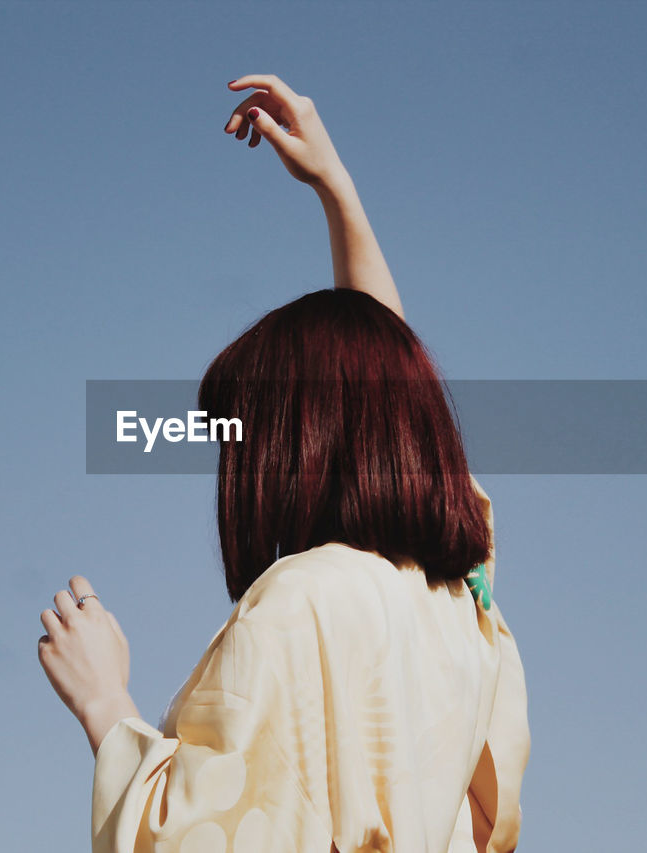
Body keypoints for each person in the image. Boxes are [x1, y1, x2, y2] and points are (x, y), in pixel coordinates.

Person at [38, 74, 531, 853]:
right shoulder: (459, 604)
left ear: (292, 444)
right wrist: (337, 190)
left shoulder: (303, 603)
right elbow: (392, 394)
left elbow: (204, 838)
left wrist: (104, 700)